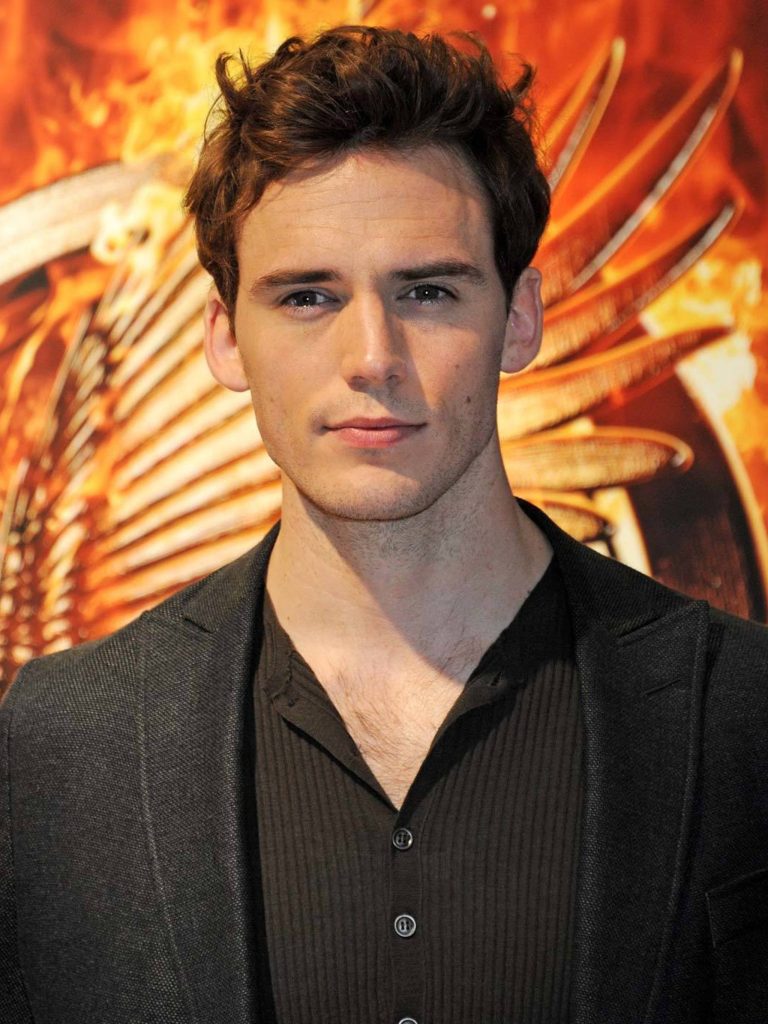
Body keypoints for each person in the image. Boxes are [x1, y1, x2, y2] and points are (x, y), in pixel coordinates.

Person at [1, 24, 766, 1024]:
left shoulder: (742, 713)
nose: (372, 355)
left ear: (520, 318)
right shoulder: (61, 744)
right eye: (307, 296)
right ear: (225, 338)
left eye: (428, 291)